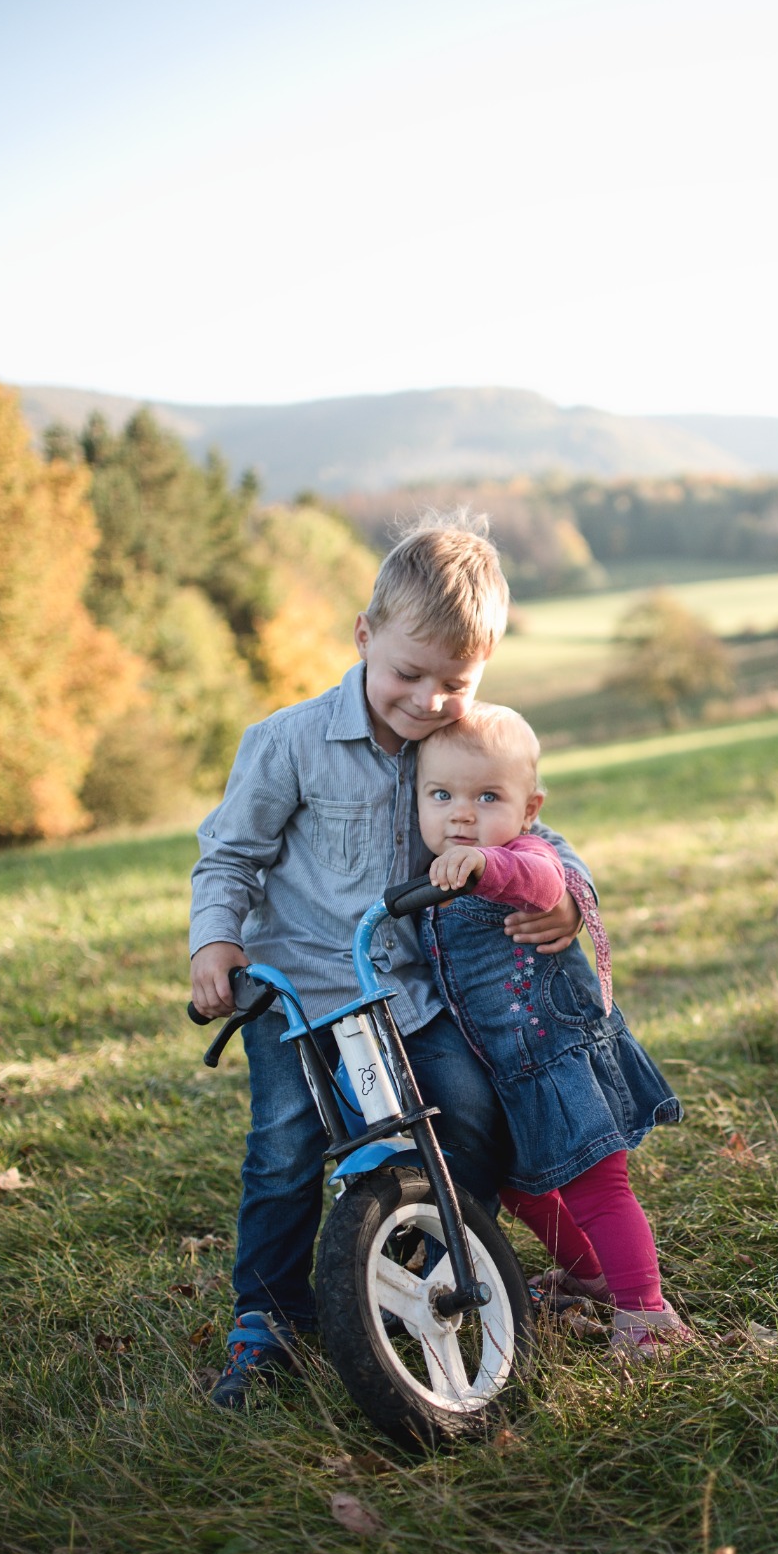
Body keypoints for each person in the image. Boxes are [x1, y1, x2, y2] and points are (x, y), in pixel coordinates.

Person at [189, 518, 592, 1407]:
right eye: (409, 672)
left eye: (455, 681)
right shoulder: (289, 742)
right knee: (285, 1149)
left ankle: (421, 1261)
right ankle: (266, 1318)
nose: (427, 698)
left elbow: (530, 832)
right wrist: (214, 940)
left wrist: (566, 896)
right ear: (364, 636)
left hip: (409, 992)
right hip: (296, 996)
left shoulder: (456, 743)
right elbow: (229, 857)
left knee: (470, 1114)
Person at [416, 702, 690, 1357]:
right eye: (441, 795)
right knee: (520, 1189)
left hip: (561, 1057)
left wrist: (487, 867)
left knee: (598, 1187)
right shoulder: (429, 872)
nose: (462, 815)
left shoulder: (520, 853)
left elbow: (543, 882)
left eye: (487, 797)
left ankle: (645, 1313)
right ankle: (589, 1274)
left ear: (529, 808)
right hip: (506, 1071)